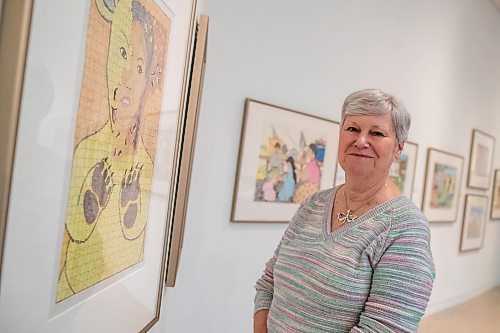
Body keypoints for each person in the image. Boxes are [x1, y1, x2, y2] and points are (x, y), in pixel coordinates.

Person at [253, 89, 436, 333]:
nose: (361, 141)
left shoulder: (406, 228)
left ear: (398, 148)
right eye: (352, 129)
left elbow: (385, 329)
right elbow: (268, 283)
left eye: (377, 133)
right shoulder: (314, 204)